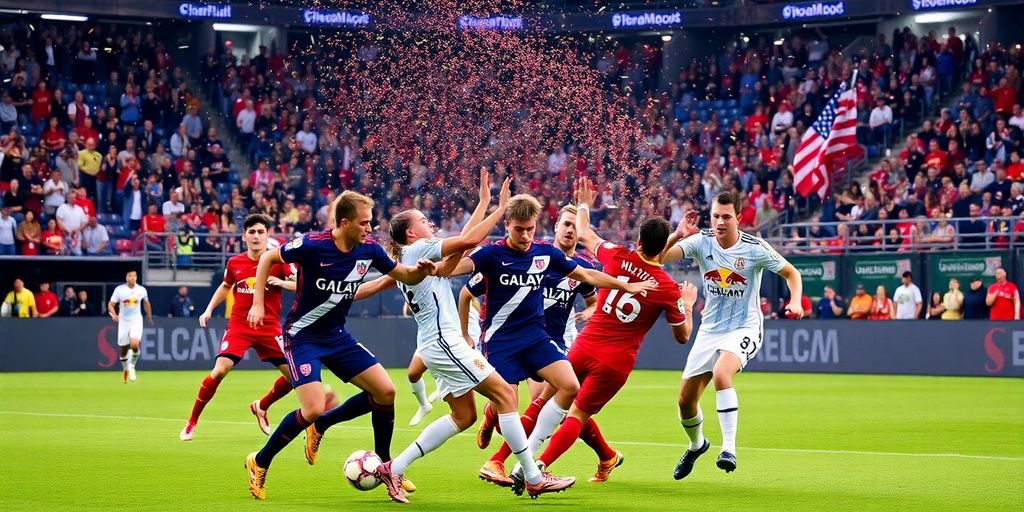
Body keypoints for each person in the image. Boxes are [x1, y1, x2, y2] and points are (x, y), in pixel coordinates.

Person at [356, 172, 582, 502]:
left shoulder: (409, 260)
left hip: (434, 343)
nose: (429, 224)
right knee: (506, 395)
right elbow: (465, 242)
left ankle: (395, 466)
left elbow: (462, 243)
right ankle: (533, 476)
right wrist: (500, 207)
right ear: (410, 232)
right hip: (445, 342)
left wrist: (484, 202)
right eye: (423, 221)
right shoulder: (418, 247)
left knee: (465, 417)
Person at [437, 192, 655, 494]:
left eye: (529, 229)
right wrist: (432, 267)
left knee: (566, 389)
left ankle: (518, 466)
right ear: (509, 225)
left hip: (541, 340)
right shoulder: (491, 255)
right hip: (501, 341)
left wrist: (624, 285)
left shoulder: (548, 257)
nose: (525, 235)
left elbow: (589, 277)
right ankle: (517, 458)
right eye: (518, 229)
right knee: (508, 409)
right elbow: (457, 277)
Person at [243, 191, 439, 501]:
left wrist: (421, 271)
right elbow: (268, 257)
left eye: (371, 223)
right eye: (363, 223)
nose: (369, 229)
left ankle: (385, 465)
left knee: (386, 392)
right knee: (313, 407)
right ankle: (259, 461)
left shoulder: (370, 250)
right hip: (303, 337)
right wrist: (257, 303)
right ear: (344, 223)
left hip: (336, 336)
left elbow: (402, 274)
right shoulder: (312, 245)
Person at [529, 176, 695, 483]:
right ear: (663, 247)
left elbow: (585, 233)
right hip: (615, 362)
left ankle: (516, 460)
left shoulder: (617, 255)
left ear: (640, 241)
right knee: (577, 416)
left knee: (546, 400)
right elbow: (682, 336)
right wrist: (687, 304)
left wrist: (583, 205)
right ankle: (538, 467)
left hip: (584, 345)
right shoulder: (668, 289)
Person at [661, 191, 804, 477]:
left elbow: (792, 273)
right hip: (710, 329)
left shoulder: (755, 248)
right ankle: (696, 445)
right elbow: (659, 257)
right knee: (685, 402)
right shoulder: (702, 242)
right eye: (715, 216)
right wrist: (677, 234)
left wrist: (796, 300)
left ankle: (729, 448)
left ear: (738, 218)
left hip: (744, 327)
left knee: (721, 373)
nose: (720, 222)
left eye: (726, 217)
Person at [475, 203, 600, 485]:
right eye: (565, 224)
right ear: (555, 227)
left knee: (552, 399)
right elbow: (475, 286)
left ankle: (519, 465)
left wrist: (591, 311)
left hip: (556, 339)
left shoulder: (577, 267)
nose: (570, 230)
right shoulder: (535, 256)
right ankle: (518, 458)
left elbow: (594, 300)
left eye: (575, 226)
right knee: (534, 403)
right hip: (516, 337)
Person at [181, 215, 297, 441]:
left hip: (269, 326)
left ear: (267, 235)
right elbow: (225, 286)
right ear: (244, 236)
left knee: (295, 377)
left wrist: (282, 283)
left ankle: (261, 406)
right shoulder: (235, 262)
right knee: (220, 369)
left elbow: (300, 285)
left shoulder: (278, 262)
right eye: (251, 232)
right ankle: (192, 422)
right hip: (239, 326)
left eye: (261, 232)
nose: (256, 236)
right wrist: (208, 310)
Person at [107, 270, 153, 383]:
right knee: (123, 350)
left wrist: (149, 316)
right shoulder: (120, 290)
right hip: (123, 321)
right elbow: (111, 304)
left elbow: (146, 303)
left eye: (134, 276)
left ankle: (132, 366)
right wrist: (114, 314)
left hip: (136, 320)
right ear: (126, 277)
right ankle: (125, 367)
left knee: (135, 344)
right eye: (130, 276)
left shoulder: (141, 290)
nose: (132, 278)